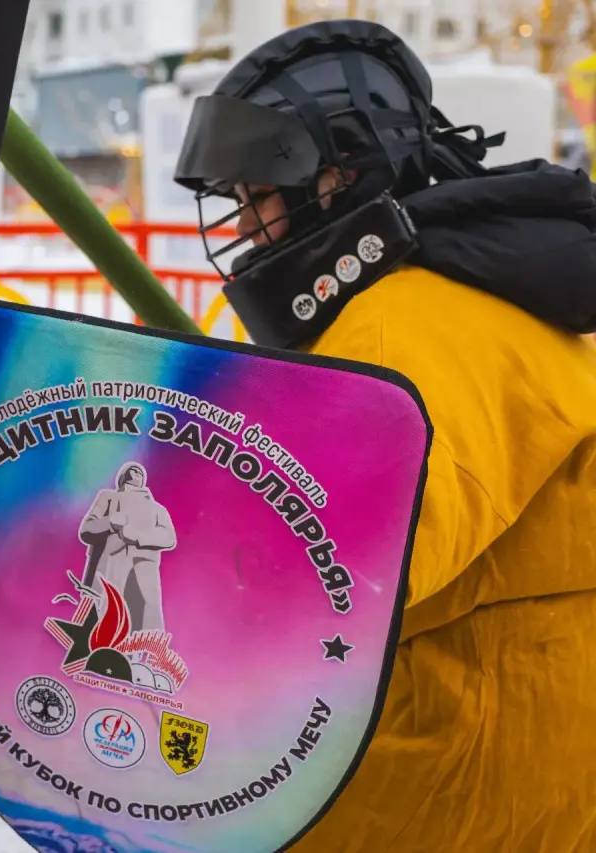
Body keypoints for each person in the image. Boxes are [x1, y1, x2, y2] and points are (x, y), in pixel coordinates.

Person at [175, 19, 596, 850]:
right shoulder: (492, 290)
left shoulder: (396, 329)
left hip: (451, 789)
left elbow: (332, 564)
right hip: (537, 758)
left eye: (257, 196)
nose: (248, 229)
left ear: (330, 180)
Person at [78, 462, 176, 632]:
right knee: (106, 617)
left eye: (140, 472)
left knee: (142, 622)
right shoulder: (108, 497)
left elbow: (168, 538)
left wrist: (136, 535)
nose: (137, 472)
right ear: (122, 477)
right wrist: (110, 522)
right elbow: (87, 529)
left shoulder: (157, 509)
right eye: (132, 471)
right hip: (111, 565)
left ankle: (137, 655)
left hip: (143, 568)